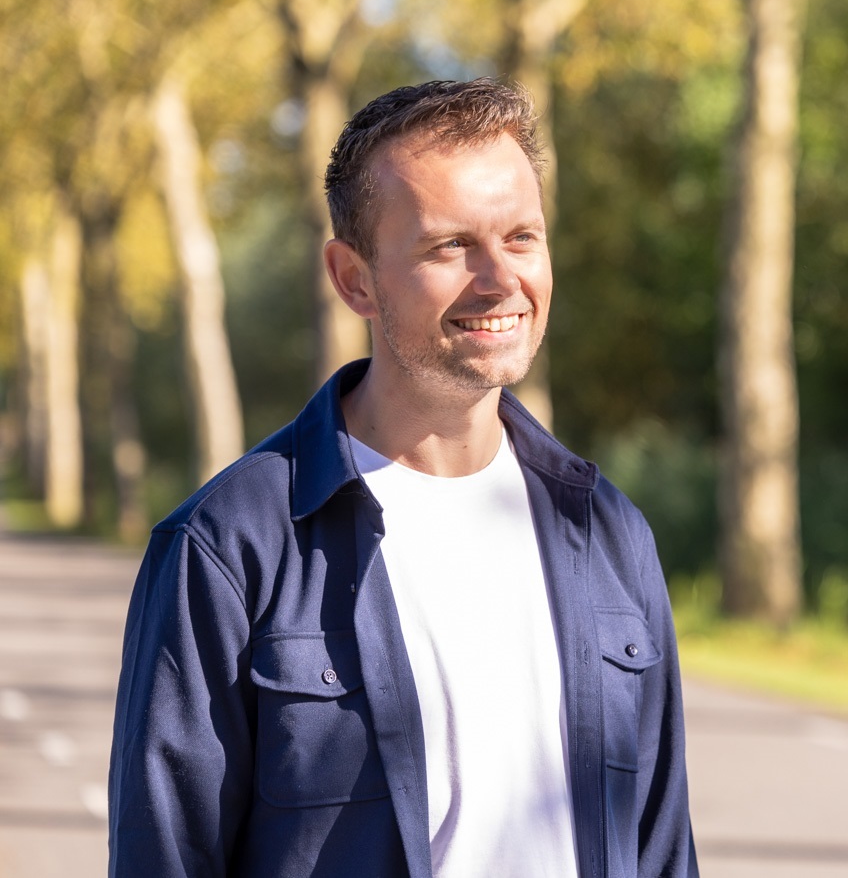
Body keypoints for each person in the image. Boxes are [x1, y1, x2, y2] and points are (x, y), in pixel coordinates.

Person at [108, 77, 698, 878]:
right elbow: (164, 858)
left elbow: (664, 852)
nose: (499, 279)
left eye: (522, 237)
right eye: (450, 245)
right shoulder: (227, 547)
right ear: (354, 279)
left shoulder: (606, 531)